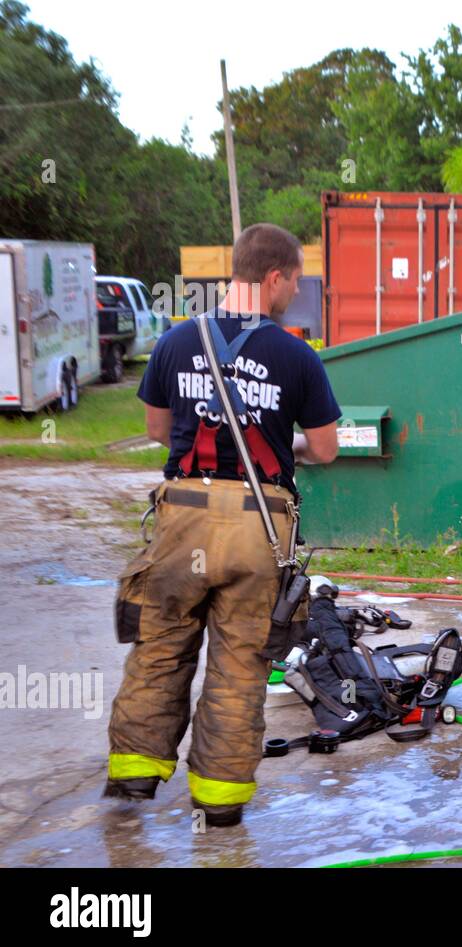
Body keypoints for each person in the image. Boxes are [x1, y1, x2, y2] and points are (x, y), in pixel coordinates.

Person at [103, 223, 342, 827]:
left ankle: (133, 777)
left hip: (181, 521)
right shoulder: (296, 355)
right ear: (273, 277)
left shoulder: (176, 341)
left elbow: (159, 431)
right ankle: (220, 802)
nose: (295, 292)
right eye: (294, 281)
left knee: (158, 648)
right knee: (239, 667)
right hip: (256, 528)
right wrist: (285, 450)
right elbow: (327, 448)